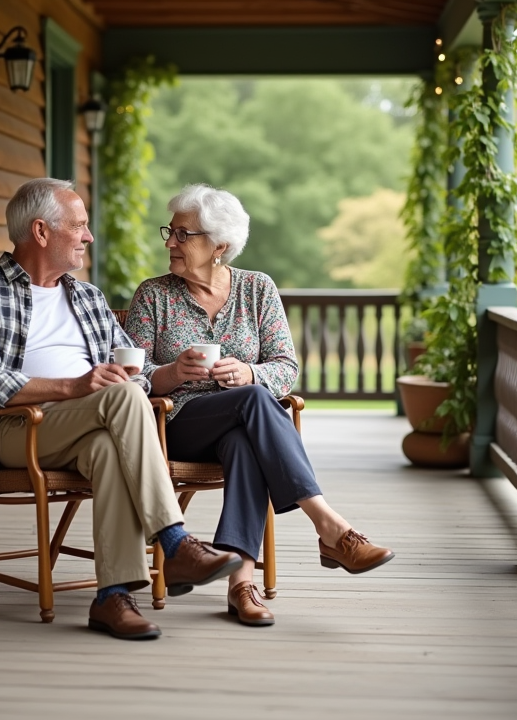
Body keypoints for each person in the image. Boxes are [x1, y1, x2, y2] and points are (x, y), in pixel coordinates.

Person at [0, 178, 242, 640]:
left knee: (110, 444)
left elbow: (136, 371)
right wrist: (73, 386)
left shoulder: (86, 296)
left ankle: (112, 596)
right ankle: (174, 540)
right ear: (41, 232)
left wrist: (135, 378)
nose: (88, 236)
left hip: (94, 421)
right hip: (17, 427)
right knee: (123, 398)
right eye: (79, 226)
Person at [124, 183, 394, 627]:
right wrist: (174, 373)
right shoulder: (153, 295)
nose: (171, 242)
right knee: (253, 403)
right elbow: (131, 376)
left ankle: (241, 585)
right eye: (169, 233)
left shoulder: (257, 289)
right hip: (174, 423)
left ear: (220, 246)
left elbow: (286, 366)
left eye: (183, 234)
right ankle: (329, 525)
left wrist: (251, 374)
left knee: (245, 438)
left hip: (243, 425)